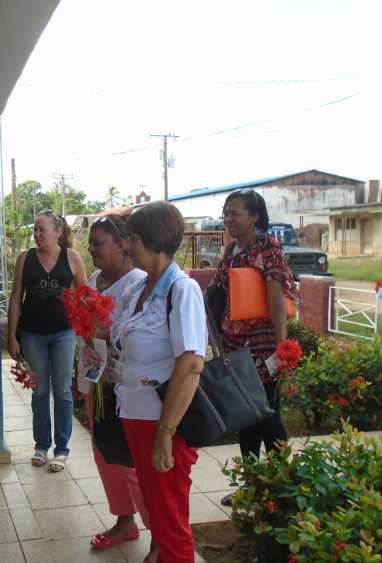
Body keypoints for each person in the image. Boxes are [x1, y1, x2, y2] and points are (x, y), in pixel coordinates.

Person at [111, 202, 208, 563]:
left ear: (154, 240)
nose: (126, 246)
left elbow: (191, 363)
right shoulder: (141, 289)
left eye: (132, 238)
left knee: (169, 521)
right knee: (158, 511)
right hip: (136, 414)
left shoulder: (182, 290)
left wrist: (166, 433)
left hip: (163, 421)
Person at [207, 190, 297, 507]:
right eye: (226, 213)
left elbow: (275, 297)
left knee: (268, 415)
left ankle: (282, 486)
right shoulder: (232, 250)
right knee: (245, 416)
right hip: (235, 346)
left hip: (263, 347)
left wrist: (282, 345)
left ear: (255, 217)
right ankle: (252, 484)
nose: (228, 219)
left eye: (236, 213)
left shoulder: (268, 248)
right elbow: (217, 290)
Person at [79, 215, 150, 551]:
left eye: (99, 243)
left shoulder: (139, 283)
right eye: (91, 243)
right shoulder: (94, 279)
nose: (92, 250)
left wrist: (102, 335)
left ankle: (159, 532)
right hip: (96, 380)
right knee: (105, 453)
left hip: (125, 386)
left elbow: (137, 336)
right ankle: (125, 520)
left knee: (131, 460)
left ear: (123, 244)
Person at [8, 211, 87, 472]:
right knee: (40, 390)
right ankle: (41, 445)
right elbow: (15, 297)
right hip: (32, 334)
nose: (37, 235)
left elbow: (85, 298)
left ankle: (62, 449)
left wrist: (88, 335)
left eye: (42, 230)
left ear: (58, 232)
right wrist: (11, 337)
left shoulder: (72, 258)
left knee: (63, 390)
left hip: (64, 333)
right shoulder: (25, 258)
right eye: (35, 230)